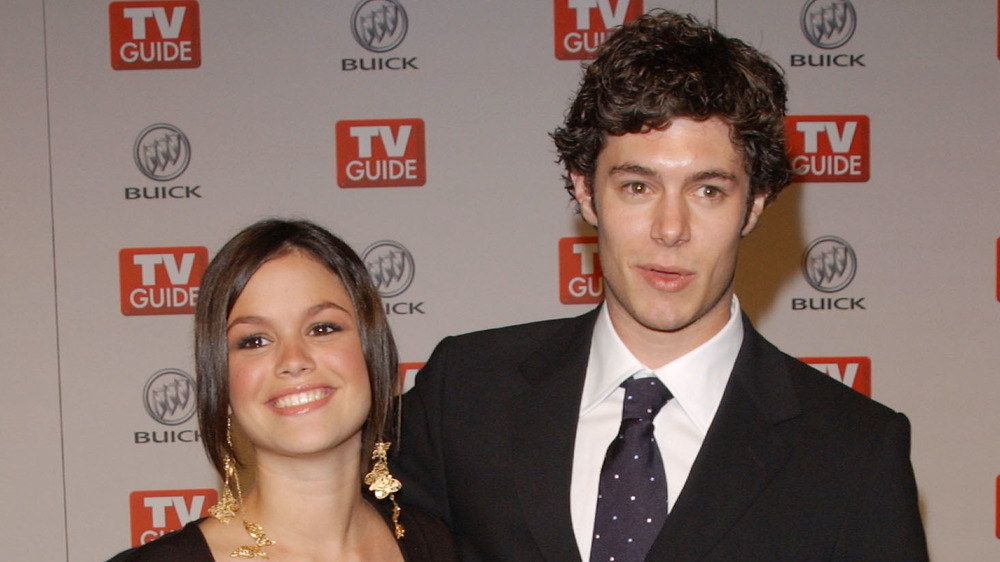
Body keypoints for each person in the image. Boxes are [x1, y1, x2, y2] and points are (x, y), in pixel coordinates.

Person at [395, 11, 928, 562]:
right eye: (636, 186)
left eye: (708, 192)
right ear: (584, 190)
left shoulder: (854, 449)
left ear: (756, 203)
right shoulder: (466, 393)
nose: (670, 229)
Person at [110, 219, 455, 561]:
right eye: (255, 341)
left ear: (373, 355)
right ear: (220, 382)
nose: (293, 359)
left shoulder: (441, 547)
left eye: (322, 329)